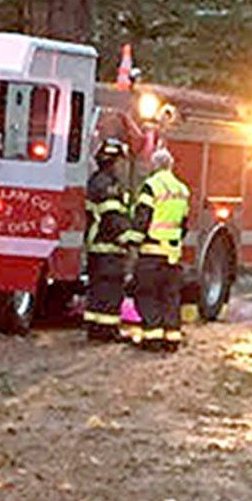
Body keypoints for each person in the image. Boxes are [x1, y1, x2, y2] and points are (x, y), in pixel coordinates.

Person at [130, 148, 192, 352]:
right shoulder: (182, 189)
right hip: (173, 255)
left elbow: (143, 218)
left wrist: (131, 242)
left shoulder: (152, 186)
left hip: (151, 252)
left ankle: (152, 338)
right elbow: (184, 224)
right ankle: (172, 339)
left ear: (154, 165)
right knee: (170, 297)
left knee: (147, 294)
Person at [83, 138, 134, 341]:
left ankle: (95, 329)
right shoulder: (109, 186)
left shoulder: (96, 181)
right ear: (114, 161)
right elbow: (113, 219)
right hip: (109, 248)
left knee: (98, 290)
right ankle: (108, 331)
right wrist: (129, 238)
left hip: (98, 248)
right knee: (110, 291)